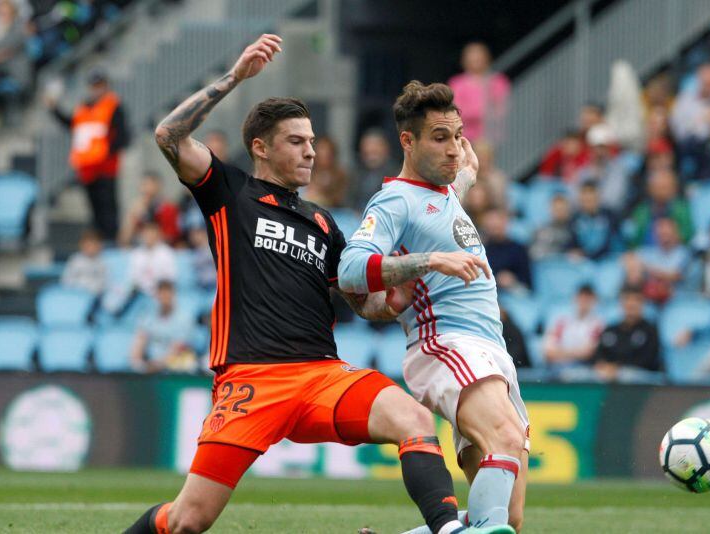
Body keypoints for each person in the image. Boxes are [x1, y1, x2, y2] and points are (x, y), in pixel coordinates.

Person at [124, 35, 478, 534]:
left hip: (321, 377)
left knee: (414, 421)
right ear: (260, 147)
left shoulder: (323, 222)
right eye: (297, 142)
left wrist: (405, 281)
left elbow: (365, 301)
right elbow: (168, 135)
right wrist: (235, 78)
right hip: (252, 380)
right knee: (187, 521)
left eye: (312, 141)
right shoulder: (230, 193)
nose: (311, 152)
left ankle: (446, 528)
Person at [339, 80, 528, 533]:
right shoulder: (393, 200)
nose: (453, 148)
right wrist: (430, 261)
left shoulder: (445, 193)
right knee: (503, 437)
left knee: (508, 518)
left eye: (458, 136)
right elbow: (350, 268)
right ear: (408, 140)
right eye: (439, 138)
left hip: (490, 351)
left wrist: (464, 174)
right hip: (446, 343)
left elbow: (441, 205)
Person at [45, 69, 131, 240]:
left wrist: (107, 153)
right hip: (87, 168)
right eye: (93, 85)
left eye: (99, 85)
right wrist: (54, 109)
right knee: (94, 208)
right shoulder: (84, 108)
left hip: (105, 167)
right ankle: (100, 240)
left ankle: (111, 240)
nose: (96, 89)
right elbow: (72, 124)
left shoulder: (113, 106)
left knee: (108, 206)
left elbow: (122, 136)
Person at [592, 284, 662, 382]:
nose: (631, 304)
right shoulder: (611, 329)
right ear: (621, 303)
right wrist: (603, 365)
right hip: (609, 372)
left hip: (641, 377)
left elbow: (648, 360)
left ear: (643, 304)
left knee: (626, 375)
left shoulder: (650, 330)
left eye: (636, 300)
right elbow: (599, 354)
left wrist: (617, 367)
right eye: (627, 299)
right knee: (576, 375)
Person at [448, 41, 511, 144]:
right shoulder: (457, 83)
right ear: (464, 61)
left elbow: (502, 109)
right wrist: (482, 113)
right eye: (472, 58)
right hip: (464, 138)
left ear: (487, 59)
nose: (476, 61)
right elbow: (454, 111)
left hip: (493, 139)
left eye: (479, 57)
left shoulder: (499, 81)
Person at [130, 279, 196, 373]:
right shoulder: (147, 318)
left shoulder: (185, 319)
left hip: (175, 369)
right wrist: (138, 362)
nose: (165, 297)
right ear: (156, 295)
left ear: (173, 294)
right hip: (152, 367)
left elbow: (177, 349)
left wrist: (157, 365)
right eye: (161, 293)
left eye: (168, 293)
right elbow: (138, 344)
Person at [623, 218, 689, 305]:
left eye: (667, 233)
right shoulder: (650, 252)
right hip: (649, 299)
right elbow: (626, 258)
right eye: (661, 233)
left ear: (675, 233)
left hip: (675, 300)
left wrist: (647, 269)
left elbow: (675, 275)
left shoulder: (684, 253)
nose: (664, 236)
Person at [543, 284, 604, 376]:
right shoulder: (561, 321)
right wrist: (575, 353)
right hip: (557, 369)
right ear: (575, 298)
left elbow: (588, 353)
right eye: (581, 298)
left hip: (583, 369)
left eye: (587, 299)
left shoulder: (598, 324)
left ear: (594, 301)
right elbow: (548, 352)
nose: (584, 302)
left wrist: (561, 353)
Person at [628, 168, 693, 247]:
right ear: (650, 189)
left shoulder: (682, 209)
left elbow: (689, 234)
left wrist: (672, 236)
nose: (662, 191)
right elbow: (634, 239)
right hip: (646, 252)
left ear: (674, 188)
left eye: (666, 187)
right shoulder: (641, 211)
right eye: (659, 187)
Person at [576, 124, 631, 213]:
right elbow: (576, 200)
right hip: (586, 217)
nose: (599, 151)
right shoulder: (583, 171)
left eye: (602, 147)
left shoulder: (618, 170)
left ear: (608, 148)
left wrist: (590, 201)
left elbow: (614, 200)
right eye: (595, 147)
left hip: (612, 219)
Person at [119, 172, 181, 246]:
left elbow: (171, 237)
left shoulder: (168, 208)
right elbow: (124, 240)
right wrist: (133, 215)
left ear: (158, 186)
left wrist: (150, 236)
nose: (145, 189)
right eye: (143, 185)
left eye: (148, 184)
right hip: (140, 251)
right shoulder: (138, 208)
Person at [480, 208, 532, 293]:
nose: (494, 227)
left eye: (497, 225)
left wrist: (513, 280)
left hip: (514, 293)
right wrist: (497, 278)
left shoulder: (518, 249)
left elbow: (527, 281)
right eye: (491, 226)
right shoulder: (482, 250)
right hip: (490, 292)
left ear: (505, 223)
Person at [350, 128, 400, 211]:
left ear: (386, 149)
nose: (371, 149)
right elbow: (349, 200)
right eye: (367, 146)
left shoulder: (396, 173)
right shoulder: (356, 172)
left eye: (376, 147)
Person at [571, 180, 618, 260]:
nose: (588, 197)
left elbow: (615, 241)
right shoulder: (575, 218)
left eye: (591, 193)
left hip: (607, 261)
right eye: (584, 194)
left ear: (598, 196)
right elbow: (571, 244)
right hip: (583, 263)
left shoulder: (610, 215)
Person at [127, 221, 177, 297]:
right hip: (141, 294)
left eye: (152, 233)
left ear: (157, 235)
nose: (149, 236)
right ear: (142, 235)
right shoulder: (136, 254)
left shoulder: (166, 253)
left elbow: (170, 277)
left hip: (160, 293)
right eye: (146, 233)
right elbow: (133, 278)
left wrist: (156, 289)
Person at [301, 135, 349, 208]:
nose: (323, 154)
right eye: (321, 151)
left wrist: (323, 195)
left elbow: (341, 198)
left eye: (327, 152)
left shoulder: (340, 175)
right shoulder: (309, 172)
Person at [60, 228, 107, 295]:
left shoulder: (102, 262)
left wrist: (94, 289)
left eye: (93, 245)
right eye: (88, 245)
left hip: (94, 295)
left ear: (99, 246)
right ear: (81, 245)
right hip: (75, 294)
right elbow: (67, 279)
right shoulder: (75, 260)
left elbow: (104, 282)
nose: (91, 248)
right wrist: (76, 288)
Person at [529, 194, 575, 260]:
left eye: (562, 209)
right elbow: (533, 252)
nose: (559, 212)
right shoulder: (541, 230)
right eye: (557, 209)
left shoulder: (574, 230)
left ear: (568, 209)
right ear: (551, 209)